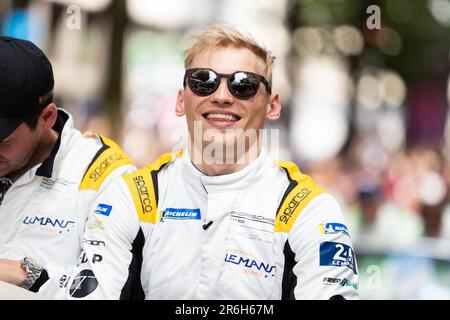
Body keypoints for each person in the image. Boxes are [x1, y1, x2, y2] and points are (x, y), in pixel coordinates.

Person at [63, 24, 358, 299]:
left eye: (244, 85)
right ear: (181, 100)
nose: (222, 96)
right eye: (203, 81)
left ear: (272, 105)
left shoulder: (309, 210)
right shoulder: (132, 196)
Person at [0, 36, 135, 298]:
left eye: (2, 140)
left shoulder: (106, 176)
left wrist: (22, 274)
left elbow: (106, 292)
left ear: (47, 117)